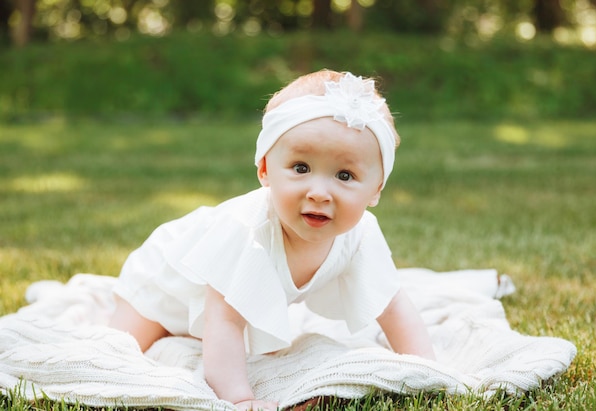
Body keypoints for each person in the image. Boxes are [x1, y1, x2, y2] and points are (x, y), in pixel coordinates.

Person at [108, 69, 436, 411]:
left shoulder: (361, 233)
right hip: (159, 285)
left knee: (199, 340)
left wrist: (426, 368)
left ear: (376, 189)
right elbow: (224, 321)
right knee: (124, 353)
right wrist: (240, 399)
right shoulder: (245, 232)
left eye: (345, 175)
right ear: (265, 169)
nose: (319, 193)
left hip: (215, 308)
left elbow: (392, 304)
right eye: (300, 168)